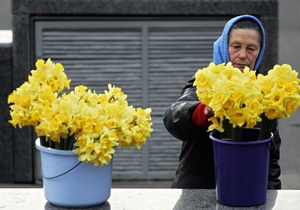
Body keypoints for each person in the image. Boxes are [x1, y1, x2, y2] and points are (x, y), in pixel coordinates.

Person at [163, 14, 281, 189]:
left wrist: (270, 196)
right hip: (197, 193)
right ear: (224, 47)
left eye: (251, 49)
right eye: (236, 46)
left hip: (246, 193)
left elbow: (271, 159)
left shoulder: (265, 92)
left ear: (260, 52)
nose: (242, 55)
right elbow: (173, 118)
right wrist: (201, 112)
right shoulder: (205, 81)